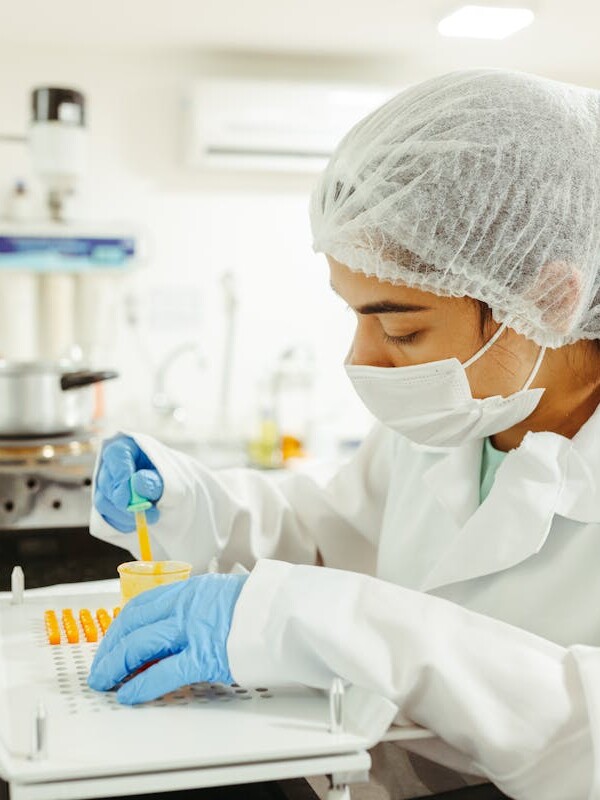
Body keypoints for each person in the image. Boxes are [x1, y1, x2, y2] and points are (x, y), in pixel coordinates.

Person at [88, 69, 600, 799]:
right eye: (355, 316)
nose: (362, 359)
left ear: (548, 299)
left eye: (401, 327)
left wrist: (346, 626)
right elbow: (338, 541)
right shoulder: (458, 420)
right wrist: (189, 500)